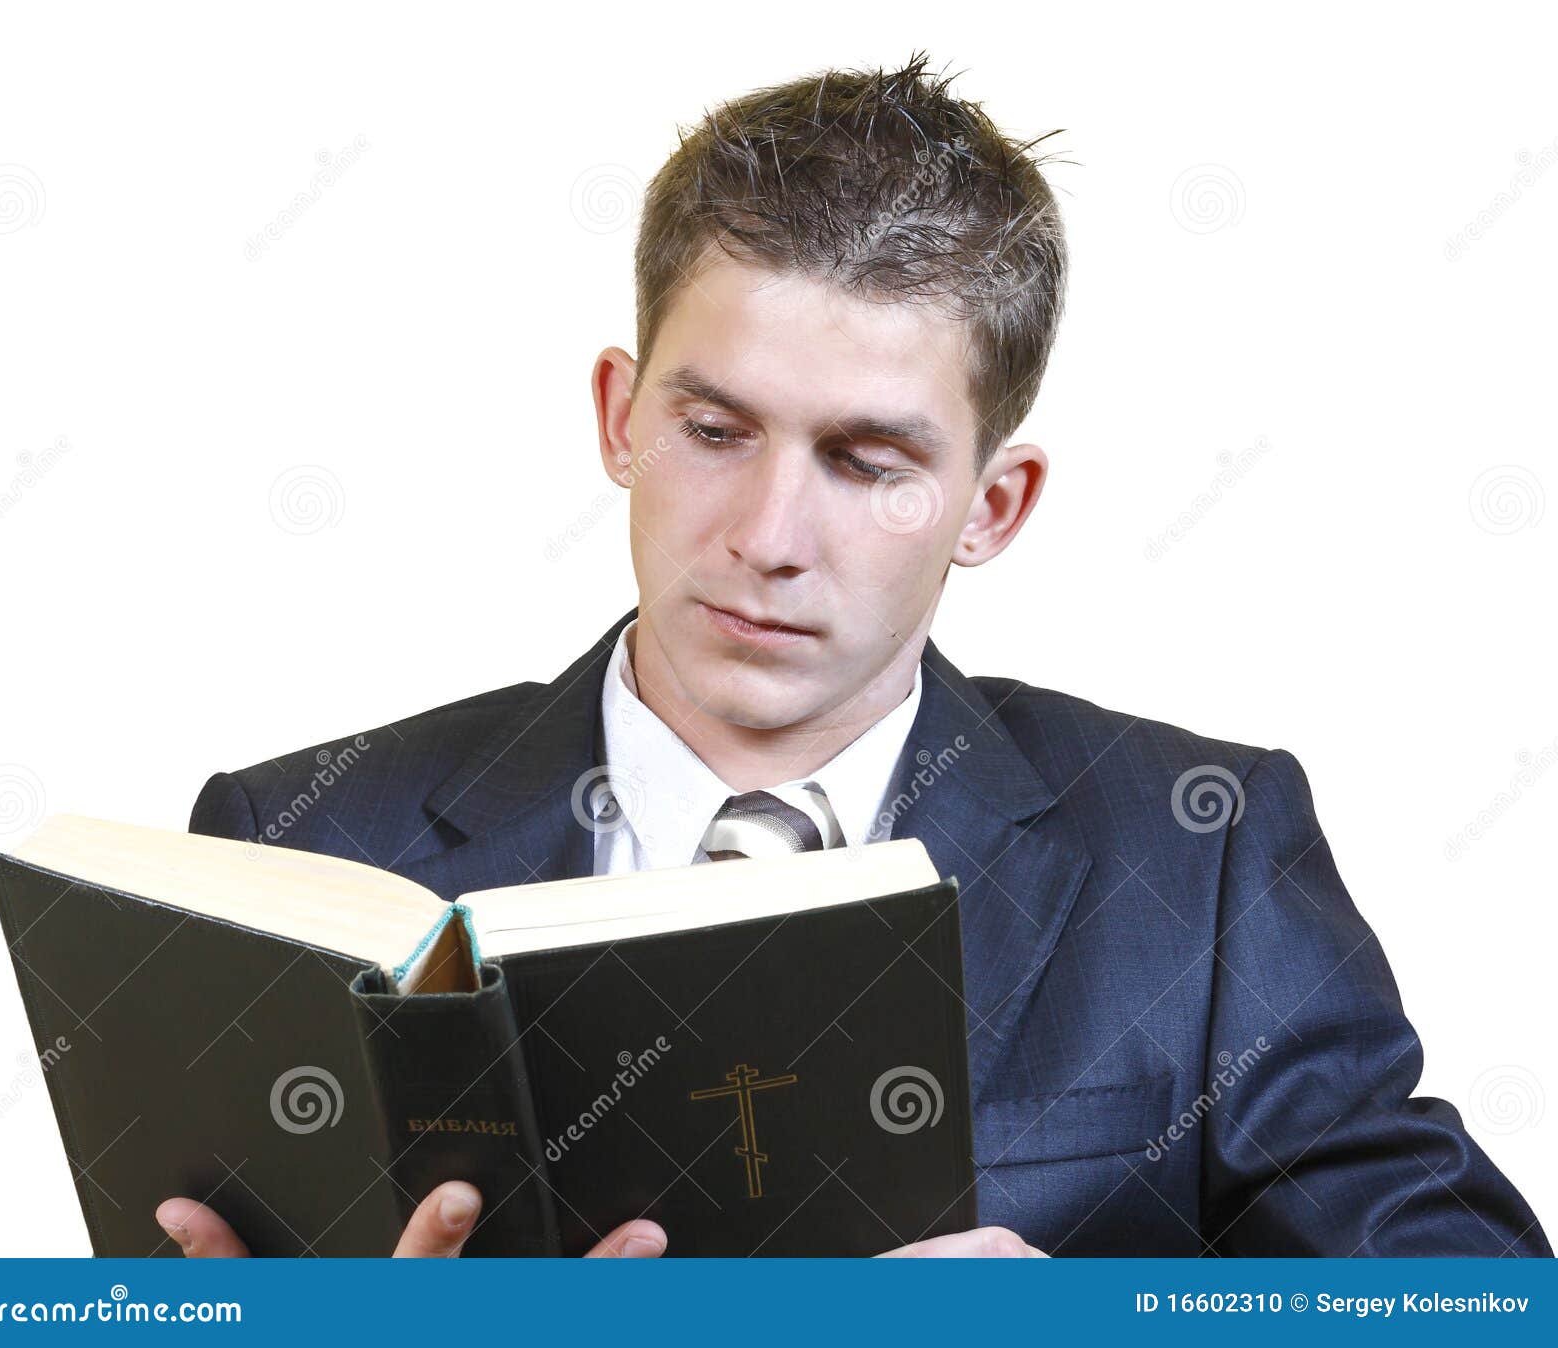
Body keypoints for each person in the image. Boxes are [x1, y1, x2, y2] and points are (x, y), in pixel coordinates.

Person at [160, 52, 1548, 1259]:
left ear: (989, 508)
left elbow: (1467, 1304)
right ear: (620, 418)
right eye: (715, 432)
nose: (769, 535)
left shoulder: (1202, 857)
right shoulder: (297, 847)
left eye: (866, 461)